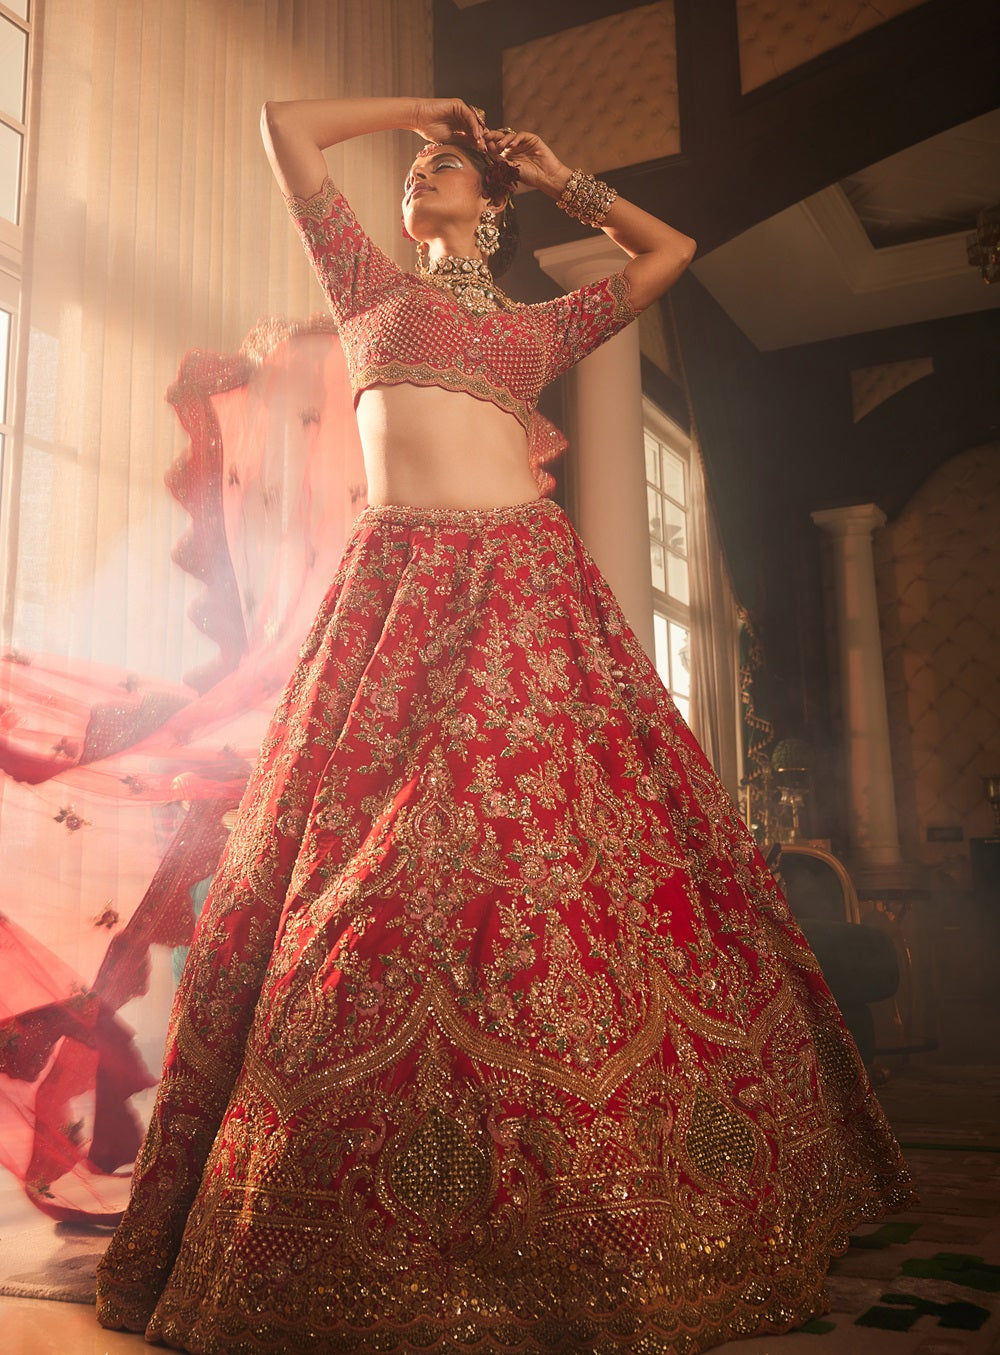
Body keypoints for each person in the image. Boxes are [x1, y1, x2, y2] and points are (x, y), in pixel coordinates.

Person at [96, 95, 914, 1353]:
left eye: (443, 170)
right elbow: (280, 129)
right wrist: (417, 109)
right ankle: (364, 1214)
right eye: (417, 170)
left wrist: (566, 177)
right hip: (395, 602)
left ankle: (597, 1204)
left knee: (560, 883)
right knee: (362, 889)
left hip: (525, 593)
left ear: (489, 209)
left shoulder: (539, 327)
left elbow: (669, 255)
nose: (423, 177)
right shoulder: (363, 285)